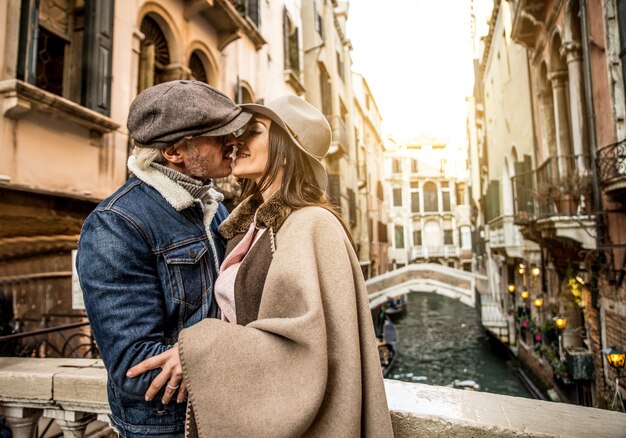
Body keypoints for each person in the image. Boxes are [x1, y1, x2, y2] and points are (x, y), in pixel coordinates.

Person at [128, 95, 394, 437]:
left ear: (287, 148)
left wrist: (197, 350)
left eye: (253, 131)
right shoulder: (252, 228)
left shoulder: (314, 224)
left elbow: (304, 348)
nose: (235, 141)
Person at [76, 80, 251, 437]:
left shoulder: (214, 209)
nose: (233, 142)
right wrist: (233, 354)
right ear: (174, 152)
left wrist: (203, 353)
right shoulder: (115, 225)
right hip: (165, 427)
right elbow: (136, 365)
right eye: (219, 135)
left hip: (223, 413)